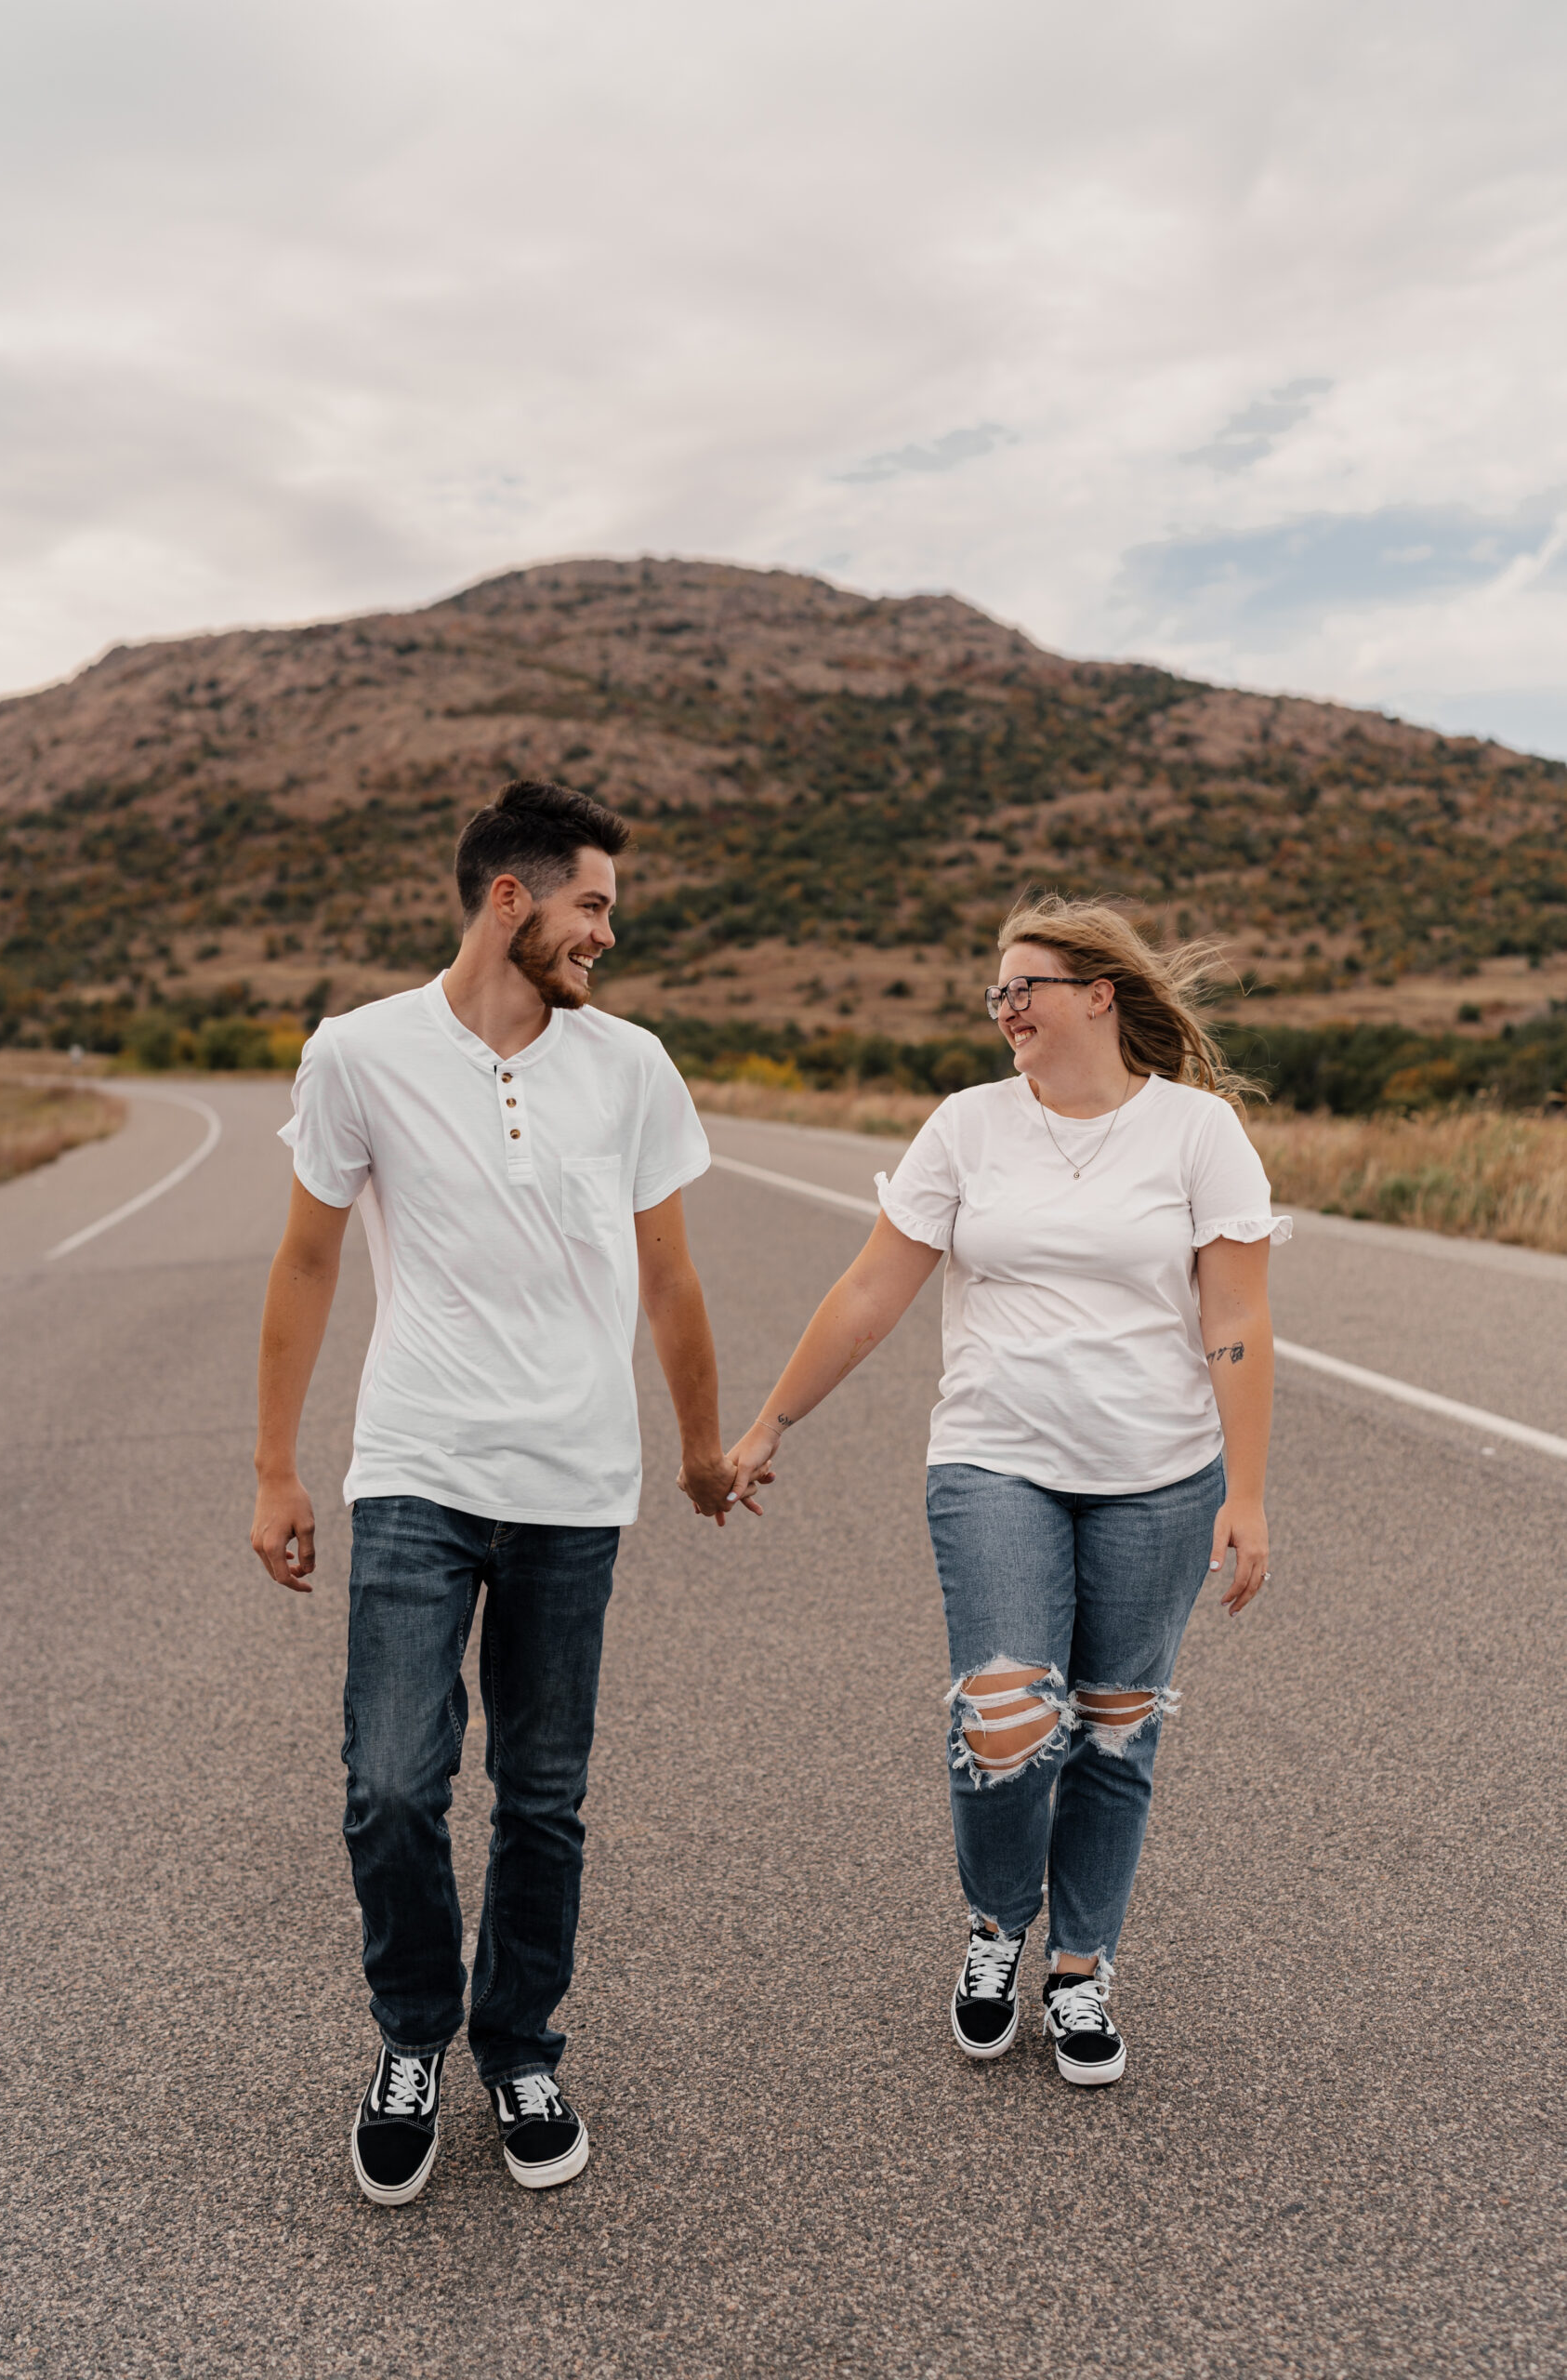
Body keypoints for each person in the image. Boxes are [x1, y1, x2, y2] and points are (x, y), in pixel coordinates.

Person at [250, 778, 743, 2206]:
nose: (606, 933)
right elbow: (304, 1262)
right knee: (392, 1787)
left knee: (542, 1795)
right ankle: (413, 2033)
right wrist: (276, 1464)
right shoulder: (358, 1053)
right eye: (591, 904)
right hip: (415, 1464)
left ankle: (519, 2042)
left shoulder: (631, 1065)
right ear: (508, 898)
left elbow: (670, 1281)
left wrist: (701, 1452)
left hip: (575, 1485)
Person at [725, 894, 1288, 2084]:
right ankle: (996, 1924)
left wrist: (1247, 1491)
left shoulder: (1197, 1133)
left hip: (1161, 1477)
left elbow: (1235, 1314)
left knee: (1116, 1728)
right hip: (995, 1459)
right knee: (1006, 1713)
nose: (1003, 1009)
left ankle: (1081, 1968)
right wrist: (774, 1419)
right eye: (994, 990)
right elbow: (875, 1288)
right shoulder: (968, 1128)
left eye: (1021, 986)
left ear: (1098, 994)